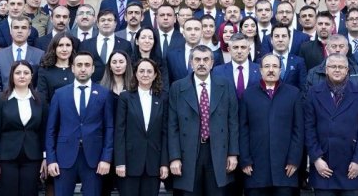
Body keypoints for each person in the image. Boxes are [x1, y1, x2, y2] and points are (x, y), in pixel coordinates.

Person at [167, 45, 239, 196]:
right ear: (191, 63)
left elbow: (233, 122)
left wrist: (233, 153)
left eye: (206, 59)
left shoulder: (225, 85)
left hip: (218, 152)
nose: (201, 63)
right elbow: (172, 126)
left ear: (212, 63)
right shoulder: (177, 87)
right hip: (188, 153)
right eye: (197, 59)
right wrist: (174, 157)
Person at [46, 51, 116, 196]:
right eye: (79, 65)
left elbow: (109, 128)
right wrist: (51, 159)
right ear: (72, 68)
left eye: (87, 65)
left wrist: (106, 158)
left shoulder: (104, 94)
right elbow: (51, 129)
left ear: (93, 69)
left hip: (94, 159)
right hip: (64, 158)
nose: (83, 69)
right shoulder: (60, 94)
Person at [304, 54, 358, 196]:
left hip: (351, 166)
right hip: (324, 165)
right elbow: (308, 128)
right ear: (326, 70)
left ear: (347, 70)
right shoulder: (313, 92)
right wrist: (316, 159)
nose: (337, 70)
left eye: (341, 67)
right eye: (333, 66)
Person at [238, 53, 303, 196]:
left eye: (275, 66)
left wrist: (294, 159)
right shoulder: (248, 94)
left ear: (281, 70)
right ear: (260, 70)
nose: (271, 70)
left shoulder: (293, 93)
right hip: (255, 168)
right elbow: (243, 129)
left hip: (286, 168)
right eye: (267, 66)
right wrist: (245, 159)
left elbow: (298, 130)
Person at [0, 61, 48, 196]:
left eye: (26, 73)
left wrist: (46, 157)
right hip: (7, 158)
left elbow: (44, 131)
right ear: (12, 76)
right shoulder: (1, 100)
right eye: (18, 73)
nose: (22, 76)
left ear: (31, 76)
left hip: (32, 157)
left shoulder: (40, 100)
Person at [115, 58, 169, 196]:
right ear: (136, 74)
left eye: (149, 71)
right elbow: (119, 131)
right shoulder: (125, 97)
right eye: (142, 71)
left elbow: (165, 133)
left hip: (153, 162)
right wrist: (120, 162)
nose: (145, 74)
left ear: (155, 75)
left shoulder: (163, 98)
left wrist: (164, 163)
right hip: (129, 162)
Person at [0, 16, 44, 98]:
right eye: (16, 28)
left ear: (29, 31)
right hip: (6, 104)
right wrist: (3, 103)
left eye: (23, 28)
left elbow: (41, 84)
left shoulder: (40, 54)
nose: (20, 31)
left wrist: (32, 101)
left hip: (31, 104)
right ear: (11, 31)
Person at [212, 33, 259, 99]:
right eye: (235, 47)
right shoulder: (218, 71)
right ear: (229, 50)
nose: (239, 51)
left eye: (243, 47)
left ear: (249, 50)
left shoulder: (259, 70)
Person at [37, 33, 78, 99]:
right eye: (60, 45)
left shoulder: (78, 69)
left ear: (72, 48)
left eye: (68, 45)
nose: (64, 49)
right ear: (54, 48)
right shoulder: (45, 70)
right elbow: (43, 98)